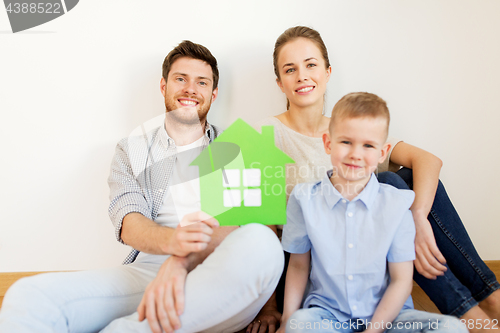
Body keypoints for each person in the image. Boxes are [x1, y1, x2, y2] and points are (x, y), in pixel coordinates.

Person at [0, 40, 284, 333]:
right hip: (150, 271)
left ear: (212, 94)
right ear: (163, 86)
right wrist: (173, 243)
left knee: (261, 243)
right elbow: (129, 223)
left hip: (225, 275)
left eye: (201, 82)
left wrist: (270, 308)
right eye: (180, 79)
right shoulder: (131, 149)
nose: (190, 89)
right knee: (28, 296)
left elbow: (263, 230)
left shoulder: (241, 146)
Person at [248, 26, 500, 333]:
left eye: (311, 64)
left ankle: (487, 299)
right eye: (291, 69)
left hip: (369, 257)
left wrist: (417, 218)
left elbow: (428, 161)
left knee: (400, 183)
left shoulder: (351, 128)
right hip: (313, 268)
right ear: (279, 82)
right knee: (392, 184)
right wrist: (270, 308)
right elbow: (256, 221)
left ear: (327, 72)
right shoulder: (261, 133)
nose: (302, 75)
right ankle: (472, 311)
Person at [277, 91, 466, 333]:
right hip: (328, 316)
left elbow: (401, 280)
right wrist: (287, 320)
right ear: (328, 143)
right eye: (346, 142)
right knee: (298, 326)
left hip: (389, 319)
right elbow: (298, 266)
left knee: (452, 328)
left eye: (368, 145)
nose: (356, 154)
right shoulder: (304, 199)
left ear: (382, 152)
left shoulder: (397, 204)